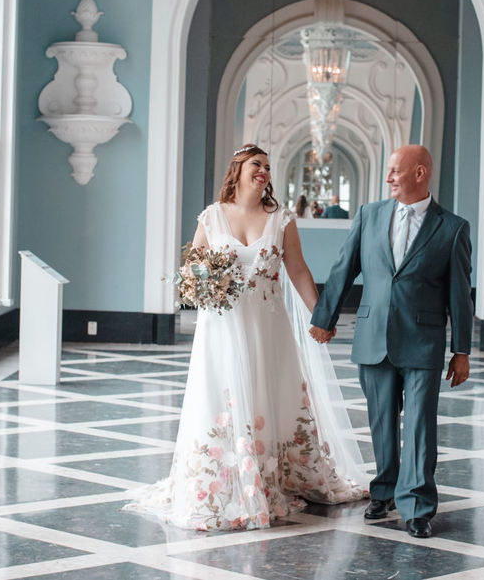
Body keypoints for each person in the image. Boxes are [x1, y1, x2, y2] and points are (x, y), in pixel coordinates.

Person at [126, 144, 366, 531]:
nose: (264, 172)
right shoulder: (212, 217)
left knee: (267, 393)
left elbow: (299, 271)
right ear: (237, 168)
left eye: (269, 168)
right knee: (219, 396)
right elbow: (191, 272)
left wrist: (322, 315)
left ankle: (273, 473)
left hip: (266, 327)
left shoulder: (281, 220)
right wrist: (203, 286)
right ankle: (221, 478)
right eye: (258, 165)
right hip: (220, 330)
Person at [310, 145, 472, 539]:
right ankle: (383, 490)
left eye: (395, 171)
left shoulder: (452, 228)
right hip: (373, 335)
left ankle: (417, 506)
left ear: (420, 173)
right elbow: (343, 269)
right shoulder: (369, 215)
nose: (389, 179)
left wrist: (462, 351)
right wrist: (324, 319)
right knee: (381, 421)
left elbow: (460, 294)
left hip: (423, 342)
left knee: (419, 425)